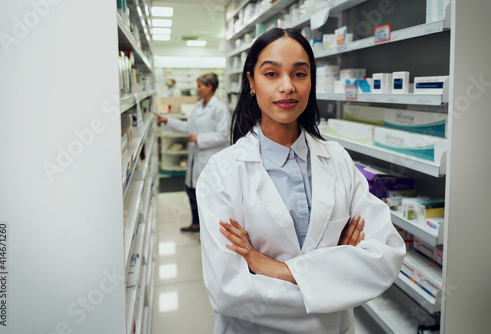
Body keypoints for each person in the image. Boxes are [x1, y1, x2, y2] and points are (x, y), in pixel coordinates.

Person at [196, 28, 405, 333]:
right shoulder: (222, 172)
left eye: (299, 74)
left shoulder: (337, 159)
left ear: (310, 82)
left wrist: (272, 267)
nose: (287, 86)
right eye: (271, 73)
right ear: (251, 82)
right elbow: (229, 292)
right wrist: (336, 270)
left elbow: (385, 256)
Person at [156, 73, 230, 232]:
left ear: (210, 87)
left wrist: (199, 138)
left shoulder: (219, 108)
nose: (196, 89)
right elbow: (188, 126)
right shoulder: (198, 106)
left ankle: (209, 230)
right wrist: (167, 121)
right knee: (191, 190)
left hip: (209, 157)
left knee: (208, 195)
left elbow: (224, 135)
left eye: (199, 86)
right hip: (196, 158)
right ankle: (196, 224)